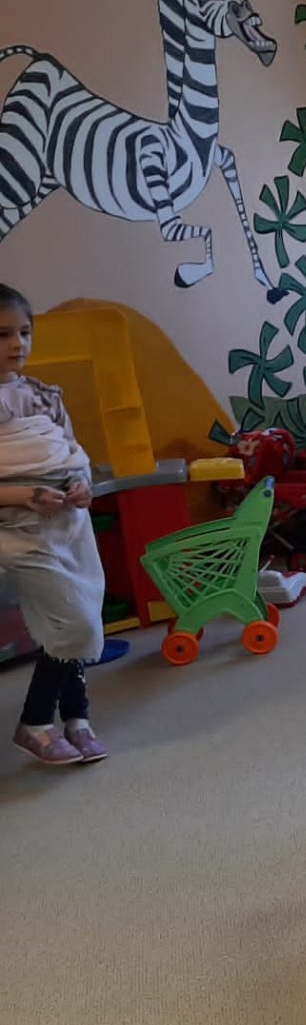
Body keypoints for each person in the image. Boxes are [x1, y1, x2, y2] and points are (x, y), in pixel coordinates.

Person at [0, 284, 109, 766]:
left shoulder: (44, 396)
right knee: (75, 623)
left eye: (24, 332)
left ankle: (77, 718)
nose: (17, 344)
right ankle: (34, 723)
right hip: (19, 530)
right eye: (2, 335)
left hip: (68, 522)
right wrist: (26, 494)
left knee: (84, 610)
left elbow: (73, 455)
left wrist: (81, 485)